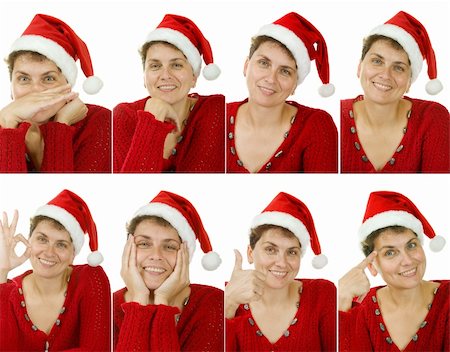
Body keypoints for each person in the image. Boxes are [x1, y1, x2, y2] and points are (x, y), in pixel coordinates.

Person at [226, 12, 338, 173]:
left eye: (285, 71)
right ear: (246, 66)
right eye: (264, 63)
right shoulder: (217, 117)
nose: (271, 79)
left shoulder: (316, 126)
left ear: (295, 85)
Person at [0, 189, 111, 351]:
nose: (49, 252)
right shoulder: (8, 291)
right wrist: (2, 272)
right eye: (42, 239)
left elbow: (96, 349)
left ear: (74, 253)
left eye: (61, 244)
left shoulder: (91, 278)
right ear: (29, 240)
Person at [0, 14, 111, 173]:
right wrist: (8, 123)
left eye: (48, 78)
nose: (36, 90)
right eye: (24, 78)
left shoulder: (100, 121)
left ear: (68, 85)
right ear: (11, 86)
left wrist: (61, 125)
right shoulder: (3, 123)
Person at [113, 14, 225, 173]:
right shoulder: (124, 116)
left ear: (194, 77)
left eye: (177, 65)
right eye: (155, 66)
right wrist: (151, 121)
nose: (165, 75)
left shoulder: (217, 110)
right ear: (145, 77)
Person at [225, 192, 336, 351]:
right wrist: (228, 304)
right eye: (270, 249)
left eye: (292, 252)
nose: (282, 263)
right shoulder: (225, 296)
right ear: (250, 253)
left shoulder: (323, 294)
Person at [339, 191, 448, 351]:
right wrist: (342, 300)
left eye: (411, 245)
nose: (408, 261)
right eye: (390, 252)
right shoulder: (361, 311)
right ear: (372, 265)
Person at [341, 11, 449, 173]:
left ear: (409, 82)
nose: (385, 75)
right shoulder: (336, 116)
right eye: (377, 61)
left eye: (398, 67)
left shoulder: (433, 118)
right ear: (359, 67)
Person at [114, 190, 223, 350]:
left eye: (170, 246)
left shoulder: (214, 303)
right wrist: (139, 298)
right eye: (144, 244)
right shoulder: (105, 307)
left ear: (186, 255)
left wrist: (162, 301)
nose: (156, 255)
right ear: (128, 249)